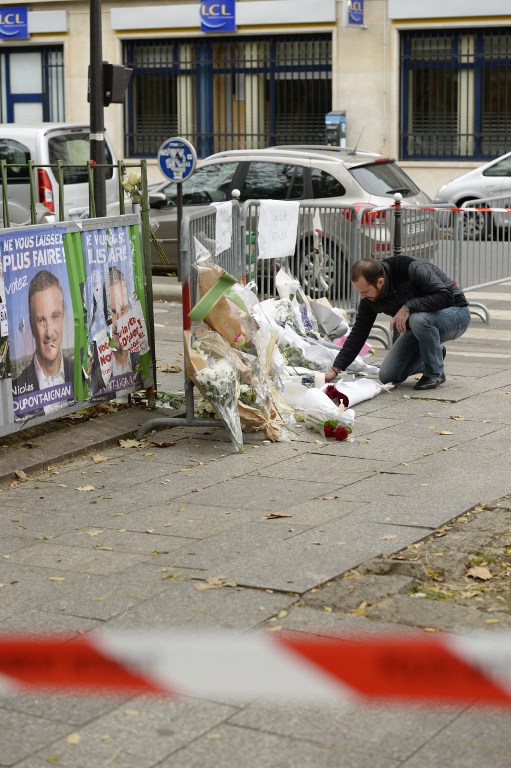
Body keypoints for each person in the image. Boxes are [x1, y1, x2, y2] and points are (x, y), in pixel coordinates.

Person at [324, 256, 470, 390]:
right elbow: (358, 334)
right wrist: (336, 369)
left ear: (380, 282)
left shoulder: (409, 268)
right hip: (421, 326)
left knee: (417, 318)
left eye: (366, 291)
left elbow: (445, 296)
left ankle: (434, 372)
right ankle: (434, 354)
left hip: (456, 314)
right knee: (387, 375)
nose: (362, 296)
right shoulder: (368, 299)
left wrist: (408, 307)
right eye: (359, 292)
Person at [12, 269, 74, 415]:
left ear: (63, 316)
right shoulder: (16, 390)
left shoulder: (79, 372)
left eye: (55, 316)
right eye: (41, 320)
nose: (49, 333)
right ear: (32, 326)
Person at [89, 265, 140, 398]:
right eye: (112, 312)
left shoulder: (137, 354)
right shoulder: (95, 365)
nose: (118, 322)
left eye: (123, 310)